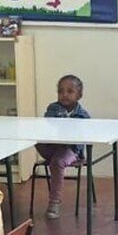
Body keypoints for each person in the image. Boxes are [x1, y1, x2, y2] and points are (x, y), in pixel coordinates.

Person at [36, 74, 91, 219]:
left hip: (71, 149)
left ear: (79, 95)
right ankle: (55, 159)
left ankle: (54, 202)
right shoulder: (53, 109)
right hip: (52, 146)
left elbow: (81, 136)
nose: (64, 95)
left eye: (70, 91)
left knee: (58, 162)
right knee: (36, 140)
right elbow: (49, 124)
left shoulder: (83, 115)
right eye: (61, 91)